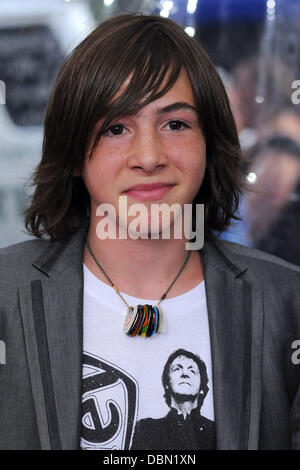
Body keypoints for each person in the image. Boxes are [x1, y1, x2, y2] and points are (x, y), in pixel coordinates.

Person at [0, 13, 299, 451]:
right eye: (116, 128)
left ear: (209, 141)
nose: (148, 156)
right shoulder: (7, 295)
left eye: (175, 124)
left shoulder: (287, 302)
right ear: (73, 151)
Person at [131, 349, 214, 450]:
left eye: (192, 371)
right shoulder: (146, 429)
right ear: (166, 384)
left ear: (202, 386)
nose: (185, 373)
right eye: (177, 369)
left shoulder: (214, 430)